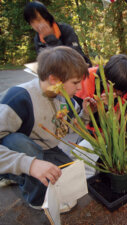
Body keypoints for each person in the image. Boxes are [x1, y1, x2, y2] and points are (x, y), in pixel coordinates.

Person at [0, 46, 94, 211]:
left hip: (47, 148)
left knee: (70, 179)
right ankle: (32, 194)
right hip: (23, 149)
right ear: (54, 80)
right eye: (75, 82)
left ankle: (19, 174)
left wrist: (86, 114)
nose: (80, 88)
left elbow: (70, 129)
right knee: (21, 144)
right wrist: (30, 164)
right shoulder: (19, 99)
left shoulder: (66, 99)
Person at [75, 54, 127, 132]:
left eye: (121, 91)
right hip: (92, 129)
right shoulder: (87, 79)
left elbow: (120, 114)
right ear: (105, 77)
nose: (116, 93)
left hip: (114, 130)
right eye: (114, 89)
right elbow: (79, 117)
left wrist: (111, 105)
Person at [23, 1, 92, 67]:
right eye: (32, 22)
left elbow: (74, 57)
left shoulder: (65, 30)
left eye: (38, 20)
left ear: (46, 17)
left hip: (78, 71)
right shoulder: (37, 39)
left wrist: (50, 38)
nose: (36, 25)